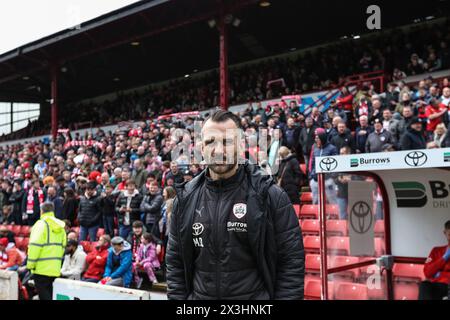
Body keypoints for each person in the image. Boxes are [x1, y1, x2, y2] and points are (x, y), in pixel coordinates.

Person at [166, 110, 304, 300]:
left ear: (240, 145)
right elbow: (175, 264)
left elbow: (291, 264)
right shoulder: (185, 199)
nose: (219, 150)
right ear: (201, 148)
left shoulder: (271, 195)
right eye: (210, 142)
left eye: (227, 142)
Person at [27, 202, 66, 300]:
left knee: (44, 295)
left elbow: (34, 246)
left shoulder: (40, 225)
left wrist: (30, 265)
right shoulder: (61, 227)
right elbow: (63, 247)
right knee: (51, 295)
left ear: (41, 211)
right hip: (55, 268)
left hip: (41, 269)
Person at [419, 220, 450, 300]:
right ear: (445, 233)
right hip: (438, 285)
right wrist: (444, 257)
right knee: (424, 285)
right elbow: (427, 272)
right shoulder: (436, 250)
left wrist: (440, 274)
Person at [309, 129, 338, 205]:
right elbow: (312, 163)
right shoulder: (315, 149)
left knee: (332, 200)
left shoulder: (332, 148)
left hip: (327, 179)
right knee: (315, 201)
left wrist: (332, 176)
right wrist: (311, 175)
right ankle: (318, 216)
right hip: (315, 179)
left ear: (322, 139)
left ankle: (334, 216)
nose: (315, 140)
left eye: (317, 138)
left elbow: (336, 163)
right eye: (315, 138)